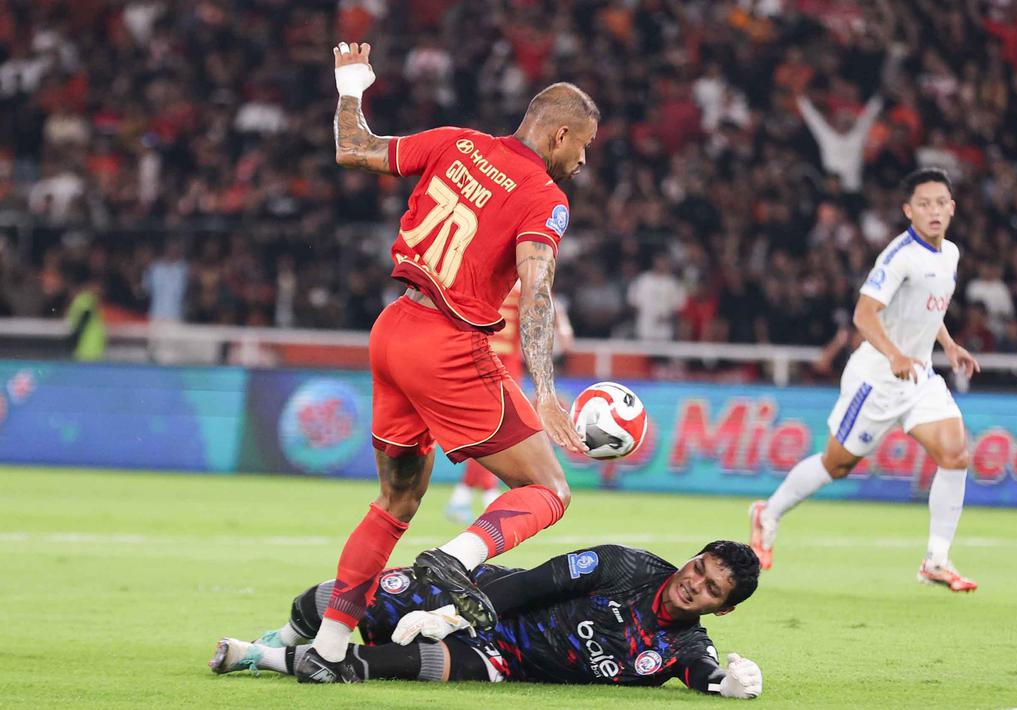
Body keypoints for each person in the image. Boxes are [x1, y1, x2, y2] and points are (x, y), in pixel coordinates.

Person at [304, 41, 594, 682]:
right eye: (584, 147)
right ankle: (456, 559)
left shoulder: (455, 142)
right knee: (548, 489)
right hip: (448, 345)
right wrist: (546, 388)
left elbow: (353, 148)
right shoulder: (544, 196)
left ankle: (326, 652)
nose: (584, 160)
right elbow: (537, 288)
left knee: (395, 501)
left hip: (392, 330)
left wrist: (352, 84)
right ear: (562, 133)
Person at [748, 168, 981, 592]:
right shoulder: (899, 257)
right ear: (908, 210)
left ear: (952, 208)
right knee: (836, 464)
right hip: (877, 376)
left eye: (940, 203)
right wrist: (894, 354)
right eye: (923, 204)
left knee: (956, 455)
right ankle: (768, 514)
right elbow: (864, 314)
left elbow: (926, 310)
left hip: (919, 375)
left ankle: (936, 560)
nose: (933, 211)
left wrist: (948, 344)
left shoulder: (950, 254)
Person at [209, 541, 763, 699]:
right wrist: (451, 613)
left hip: (499, 659)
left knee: (385, 665)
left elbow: (706, 676)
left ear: (724, 608)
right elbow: (530, 583)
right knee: (327, 599)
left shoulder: (681, 647)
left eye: (711, 588)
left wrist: (734, 685)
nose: (694, 584)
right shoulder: (623, 566)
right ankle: (282, 637)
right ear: (692, 558)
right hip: (482, 595)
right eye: (699, 568)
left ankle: (258, 657)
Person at [443, 282, 575, 524]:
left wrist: (562, 326)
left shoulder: (514, 276)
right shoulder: (522, 276)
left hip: (498, 362)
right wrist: (564, 328)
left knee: (489, 430)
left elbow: (548, 301)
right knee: (490, 430)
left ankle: (468, 495)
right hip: (486, 361)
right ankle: (483, 494)